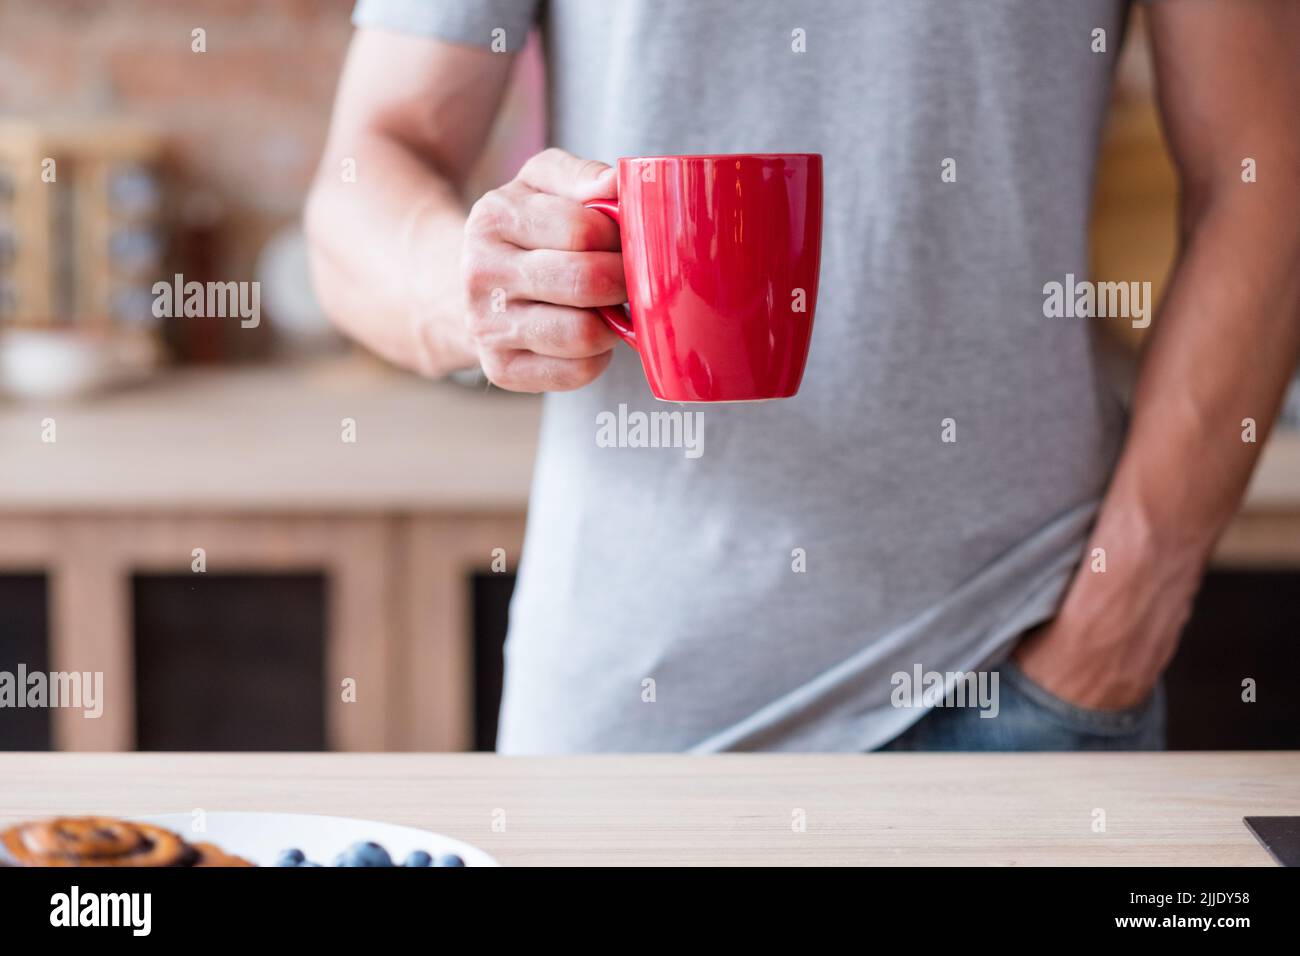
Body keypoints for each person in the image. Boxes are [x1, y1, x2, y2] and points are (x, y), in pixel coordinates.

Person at [306, 1, 1300, 752]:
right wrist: (477, 289)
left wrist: (1118, 621)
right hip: (631, 709)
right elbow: (365, 175)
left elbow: (1261, 177)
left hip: (1022, 666)